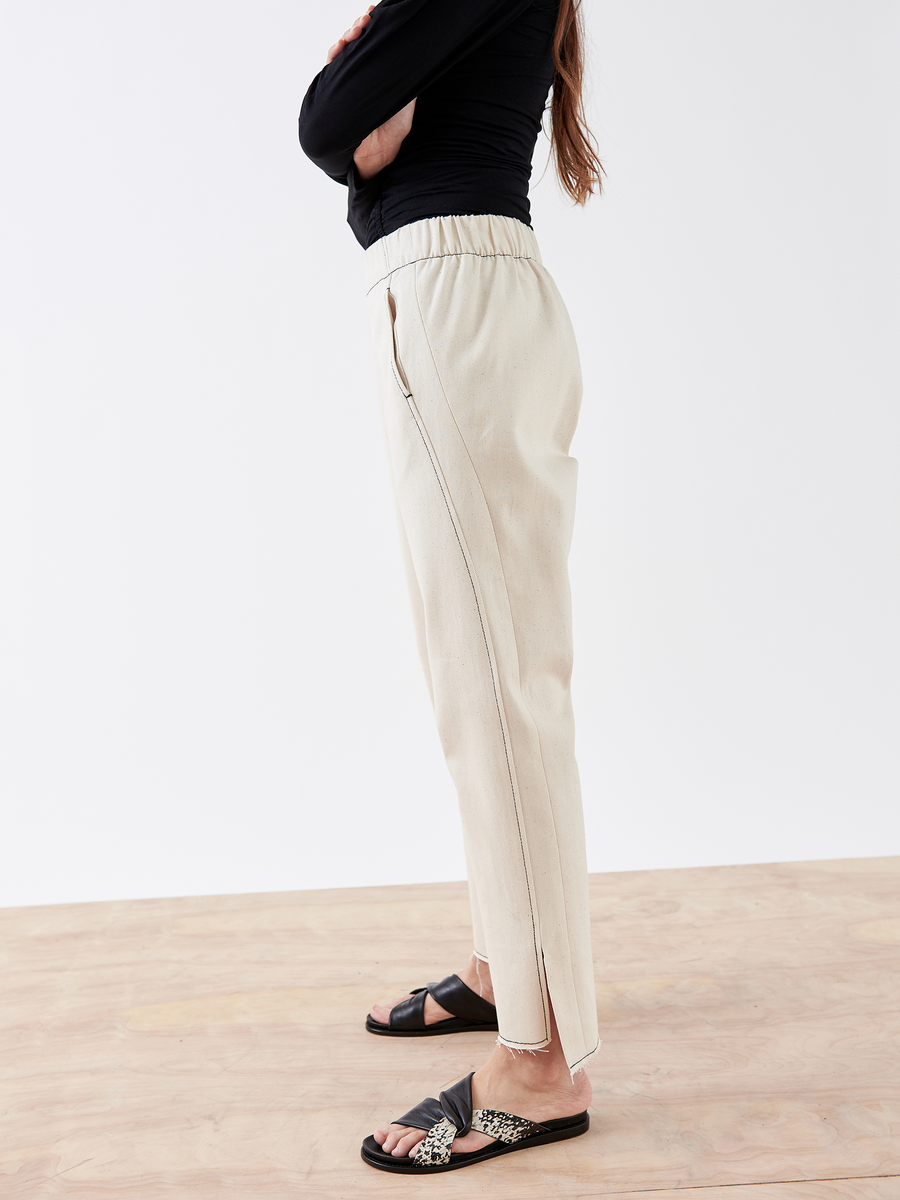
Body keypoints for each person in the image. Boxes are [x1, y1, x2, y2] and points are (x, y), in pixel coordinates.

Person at [299, 0, 603, 1174]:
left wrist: (362, 88)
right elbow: (356, 138)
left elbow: (333, 123)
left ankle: (540, 1067)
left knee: (496, 691)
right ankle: (505, 967)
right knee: (484, 677)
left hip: (456, 304)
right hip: (466, 296)